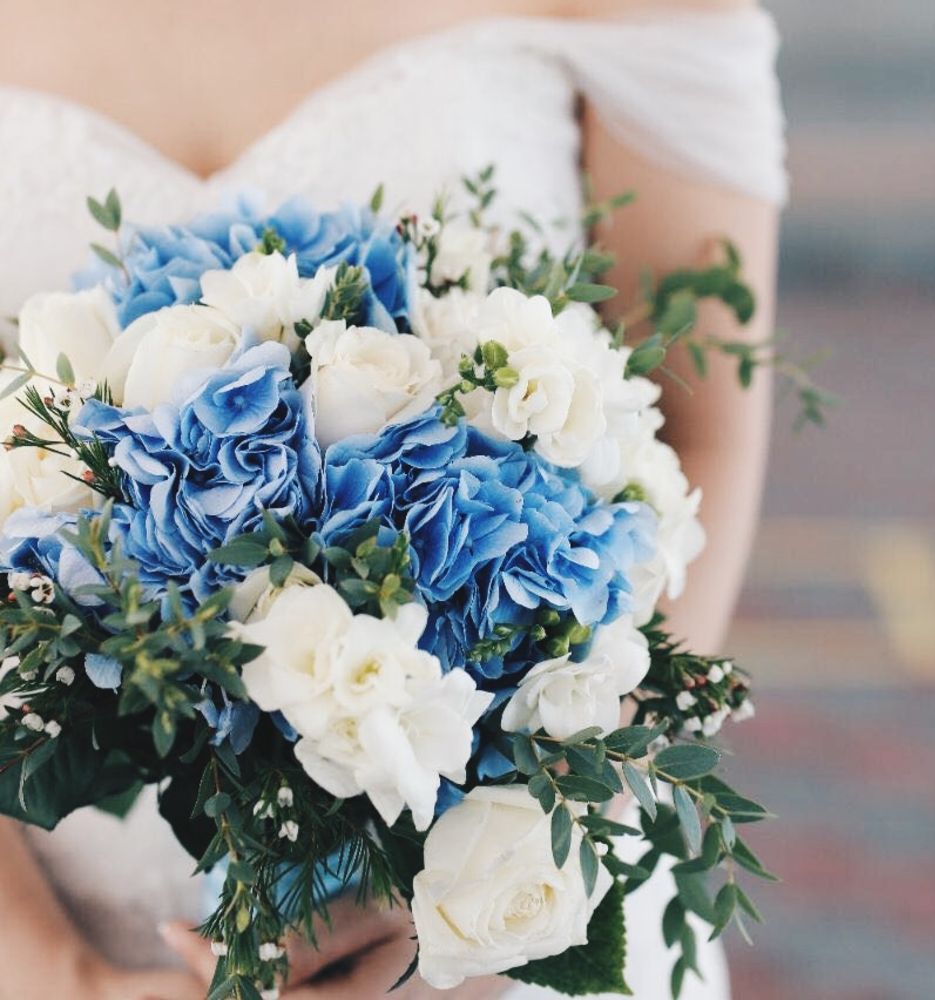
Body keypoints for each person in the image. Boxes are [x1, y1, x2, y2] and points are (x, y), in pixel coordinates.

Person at [0, 0, 784, 996]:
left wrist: (470, 891)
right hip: (50, 916)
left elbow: (697, 431)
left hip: (486, 920)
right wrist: (62, 974)